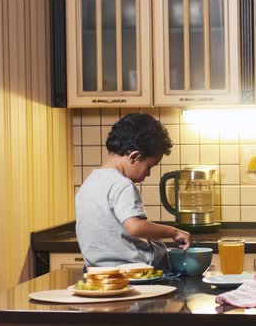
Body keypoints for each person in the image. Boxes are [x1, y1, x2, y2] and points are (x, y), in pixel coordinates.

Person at [76, 113, 191, 269]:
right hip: (132, 269)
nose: (148, 173)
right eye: (149, 167)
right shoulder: (122, 185)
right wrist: (173, 232)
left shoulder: (89, 182)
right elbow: (136, 227)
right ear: (134, 156)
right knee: (173, 259)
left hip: (95, 270)